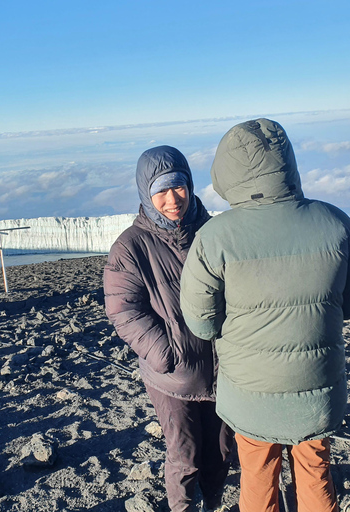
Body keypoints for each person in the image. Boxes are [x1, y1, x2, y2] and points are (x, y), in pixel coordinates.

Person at [180, 119, 350, 512]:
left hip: (250, 392)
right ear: (287, 162)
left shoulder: (214, 238)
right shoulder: (336, 222)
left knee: (256, 475)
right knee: (315, 471)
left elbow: (200, 322)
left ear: (226, 172)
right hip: (317, 386)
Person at [104, 145, 233, 512]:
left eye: (178, 187)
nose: (172, 199)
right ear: (147, 194)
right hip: (174, 378)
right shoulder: (131, 247)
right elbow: (124, 311)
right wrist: (168, 354)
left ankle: (213, 503)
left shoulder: (214, 232)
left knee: (222, 452)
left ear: (190, 185)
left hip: (224, 370)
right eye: (161, 190)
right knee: (184, 455)